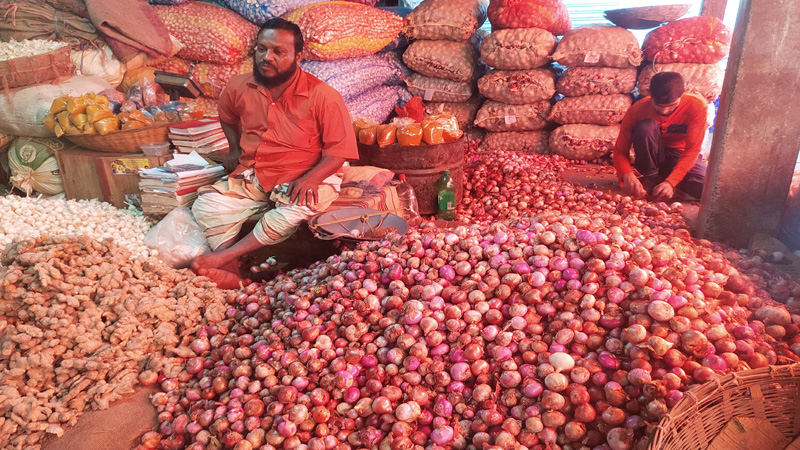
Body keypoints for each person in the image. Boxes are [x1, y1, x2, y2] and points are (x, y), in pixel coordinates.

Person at [190, 18, 358, 288]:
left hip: (306, 174)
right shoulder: (239, 86)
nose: (267, 57)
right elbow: (227, 115)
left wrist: (312, 179)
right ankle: (234, 274)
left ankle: (223, 257)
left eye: (278, 51)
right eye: (261, 49)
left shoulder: (323, 96)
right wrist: (234, 148)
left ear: (298, 56)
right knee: (208, 205)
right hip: (256, 173)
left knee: (288, 215)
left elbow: (338, 152)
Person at [612, 72, 708, 202]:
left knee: (706, 188)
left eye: (671, 106)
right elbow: (620, 151)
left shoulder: (696, 106)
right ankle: (651, 177)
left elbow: (692, 151)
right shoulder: (637, 110)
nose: (664, 111)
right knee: (645, 127)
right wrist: (626, 173)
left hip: (679, 156)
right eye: (659, 106)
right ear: (649, 94)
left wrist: (671, 182)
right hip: (651, 157)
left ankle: (663, 180)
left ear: (683, 92)